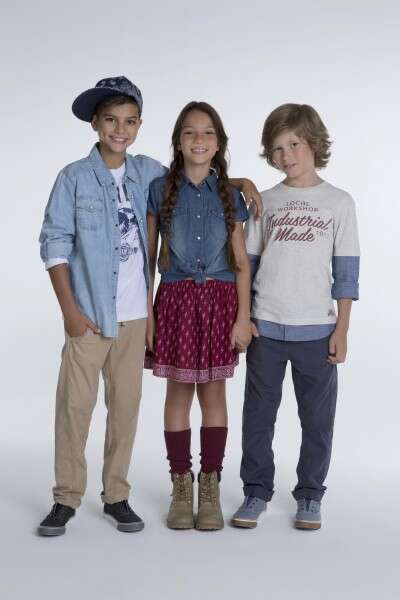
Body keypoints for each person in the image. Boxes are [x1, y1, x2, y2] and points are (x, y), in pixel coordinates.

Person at [38, 77, 262, 536]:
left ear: (139, 125)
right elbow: (55, 244)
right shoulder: (75, 177)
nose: (120, 129)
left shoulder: (146, 173)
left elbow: (201, 173)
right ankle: (65, 498)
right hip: (91, 313)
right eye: (111, 120)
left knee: (126, 410)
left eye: (129, 121)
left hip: (138, 315)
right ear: (95, 124)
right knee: (75, 408)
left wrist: (242, 181)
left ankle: (117, 495)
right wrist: (70, 312)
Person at [231, 103, 360, 530]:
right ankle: (255, 491)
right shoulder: (265, 202)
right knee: (258, 418)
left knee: (317, 422)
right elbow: (246, 265)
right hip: (265, 329)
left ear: (314, 143)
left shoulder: (338, 203)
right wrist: (244, 317)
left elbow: (346, 273)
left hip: (317, 332)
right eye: (277, 148)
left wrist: (342, 328)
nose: (286, 155)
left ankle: (310, 494)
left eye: (295, 144)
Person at [145, 101, 252, 531]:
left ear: (219, 143)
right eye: (189, 132)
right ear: (177, 141)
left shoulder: (230, 195)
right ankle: (180, 485)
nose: (199, 140)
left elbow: (241, 263)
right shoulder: (159, 189)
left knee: (213, 395)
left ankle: (210, 486)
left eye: (208, 132)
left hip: (220, 303)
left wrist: (243, 317)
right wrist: (148, 316)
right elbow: (147, 261)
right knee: (177, 395)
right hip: (175, 300)